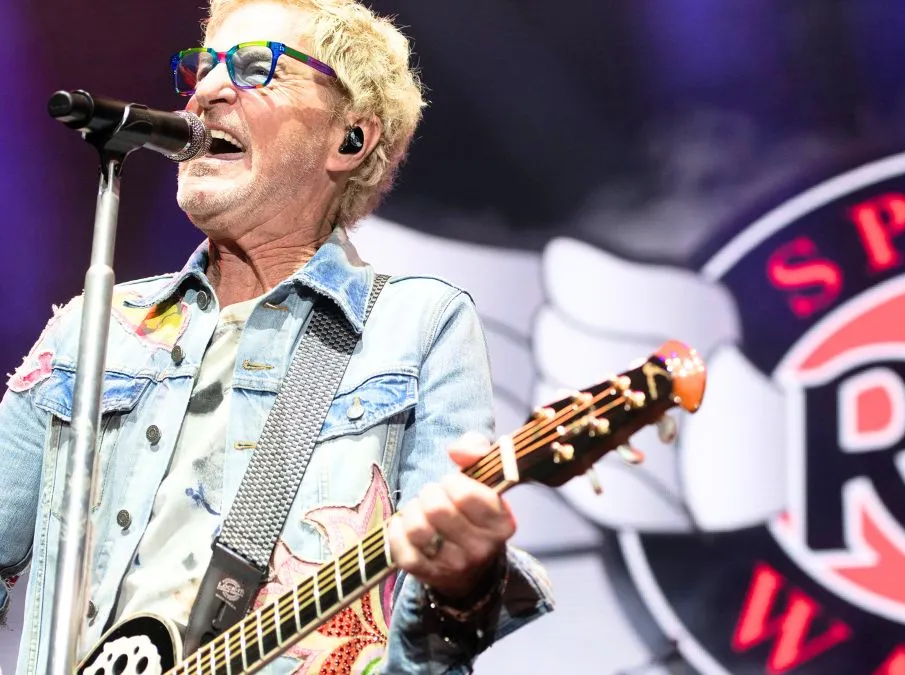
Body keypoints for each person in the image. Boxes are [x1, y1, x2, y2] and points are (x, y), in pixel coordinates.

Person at [0, 0, 554, 672]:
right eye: (200, 70)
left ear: (350, 138)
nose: (207, 91)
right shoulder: (93, 329)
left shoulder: (416, 327)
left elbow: (428, 658)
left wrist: (463, 586)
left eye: (255, 68)